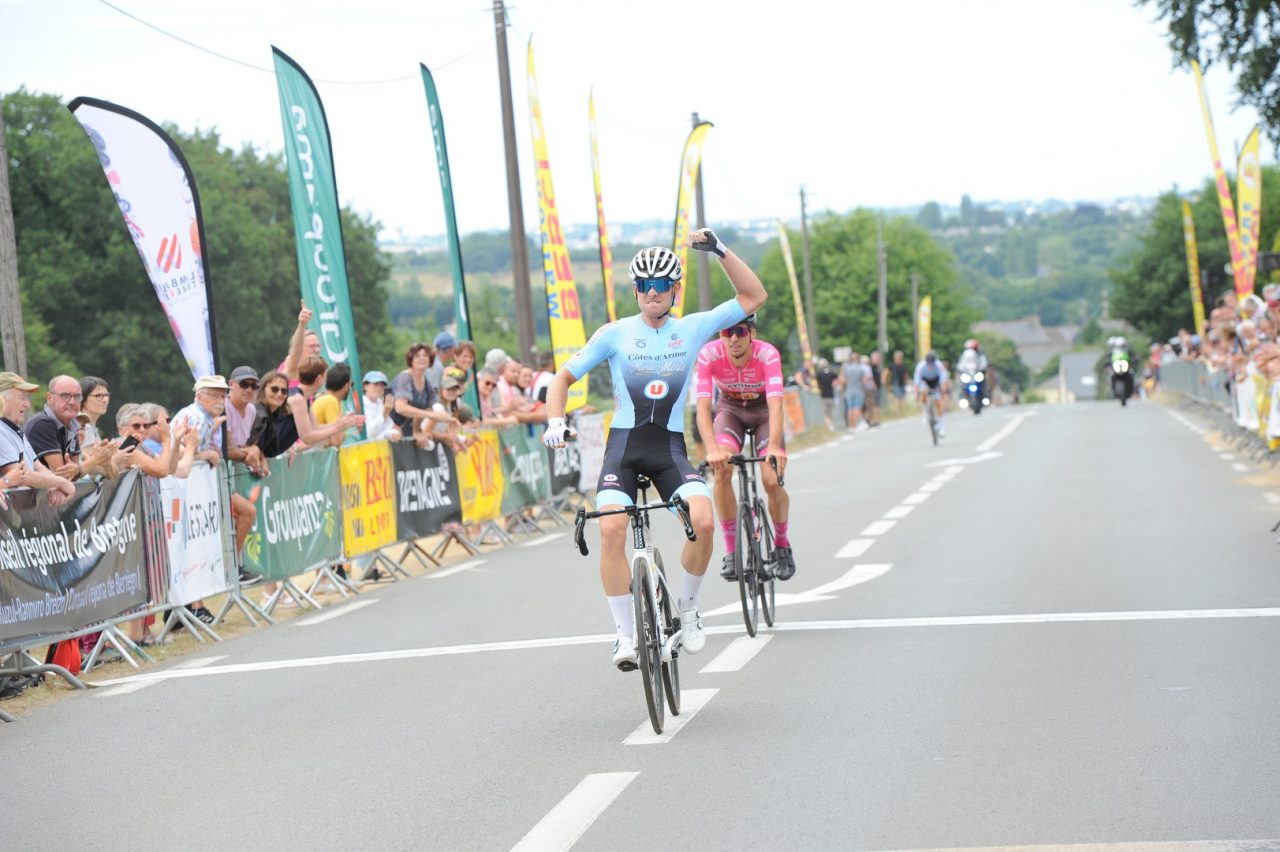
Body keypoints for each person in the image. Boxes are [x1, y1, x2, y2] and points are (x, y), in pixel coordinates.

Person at [542, 228, 767, 670]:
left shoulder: (694, 327)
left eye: (661, 285)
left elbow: (753, 295)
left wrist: (719, 250)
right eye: (644, 285)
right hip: (623, 450)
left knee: (702, 521)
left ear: (674, 289)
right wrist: (555, 419)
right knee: (610, 530)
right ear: (635, 290)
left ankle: (687, 609)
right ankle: (624, 635)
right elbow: (562, 379)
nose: (652, 293)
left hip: (668, 448)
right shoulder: (615, 333)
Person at [693, 313, 795, 582]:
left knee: (771, 480)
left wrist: (774, 447)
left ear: (753, 334)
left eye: (740, 331)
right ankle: (731, 551)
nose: (734, 338)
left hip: (763, 413)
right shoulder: (708, 355)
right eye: (728, 333)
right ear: (720, 336)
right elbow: (703, 408)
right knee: (722, 469)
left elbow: (776, 405)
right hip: (731, 412)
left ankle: (782, 546)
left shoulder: (767, 355)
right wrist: (712, 448)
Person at [0, 372, 76, 506]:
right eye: (22, 398)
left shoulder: (15, 429)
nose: (27, 404)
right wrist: (60, 482)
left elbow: (38, 467)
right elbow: (19, 475)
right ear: (2, 398)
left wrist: (53, 484)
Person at [914, 351, 950, 437]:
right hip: (925, 381)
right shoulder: (920, 366)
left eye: (932, 363)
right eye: (928, 363)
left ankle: (941, 426)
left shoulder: (939, 365)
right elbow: (917, 382)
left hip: (935, 381)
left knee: (939, 401)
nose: (930, 365)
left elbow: (943, 381)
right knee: (924, 392)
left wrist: (943, 391)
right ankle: (925, 412)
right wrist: (916, 394)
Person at [360, 371, 400, 442]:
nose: (379, 388)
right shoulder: (361, 403)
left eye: (382, 385)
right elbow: (368, 433)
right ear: (365, 386)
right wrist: (385, 413)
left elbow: (390, 426)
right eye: (376, 384)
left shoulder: (379, 403)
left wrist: (395, 433)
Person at [839, 352, 867, 432]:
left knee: (850, 409)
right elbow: (865, 381)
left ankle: (851, 426)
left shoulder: (846, 368)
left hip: (849, 390)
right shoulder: (861, 368)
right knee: (857, 408)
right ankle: (856, 425)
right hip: (859, 390)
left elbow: (842, 380)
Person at [814, 357, 839, 430]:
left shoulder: (819, 374)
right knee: (831, 412)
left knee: (826, 413)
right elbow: (837, 378)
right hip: (831, 394)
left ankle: (829, 426)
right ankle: (831, 425)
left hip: (823, 395)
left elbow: (817, 384)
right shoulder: (831, 373)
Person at [889, 350, 909, 414]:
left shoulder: (903, 365)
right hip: (895, 383)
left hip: (902, 383)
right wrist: (886, 381)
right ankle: (898, 411)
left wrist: (906, 381)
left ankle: (900, 409)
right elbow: (886, 372)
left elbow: (905, 374)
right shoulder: (892, 365)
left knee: (901, 396)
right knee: (898, 396)